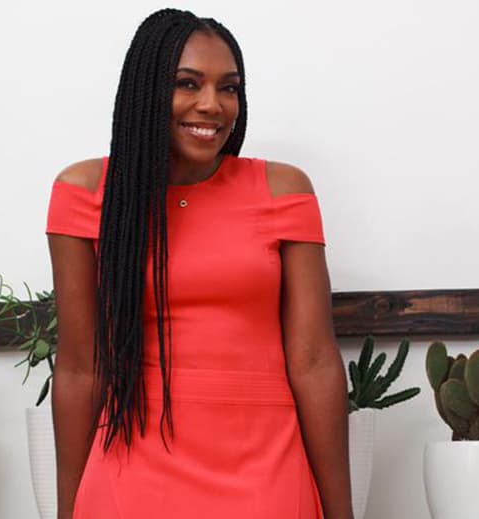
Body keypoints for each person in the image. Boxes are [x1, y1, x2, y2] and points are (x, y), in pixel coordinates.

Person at [45, 8, 352, 519]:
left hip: (265, 472)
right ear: (145, 91)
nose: (212, 105)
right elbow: (80, 367)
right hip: (131, 469)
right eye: (188, 84)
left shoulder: (283, 189)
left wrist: (340, 513)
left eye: (228, 88)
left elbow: (314, 361)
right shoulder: (85, 193)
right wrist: (68, 509)